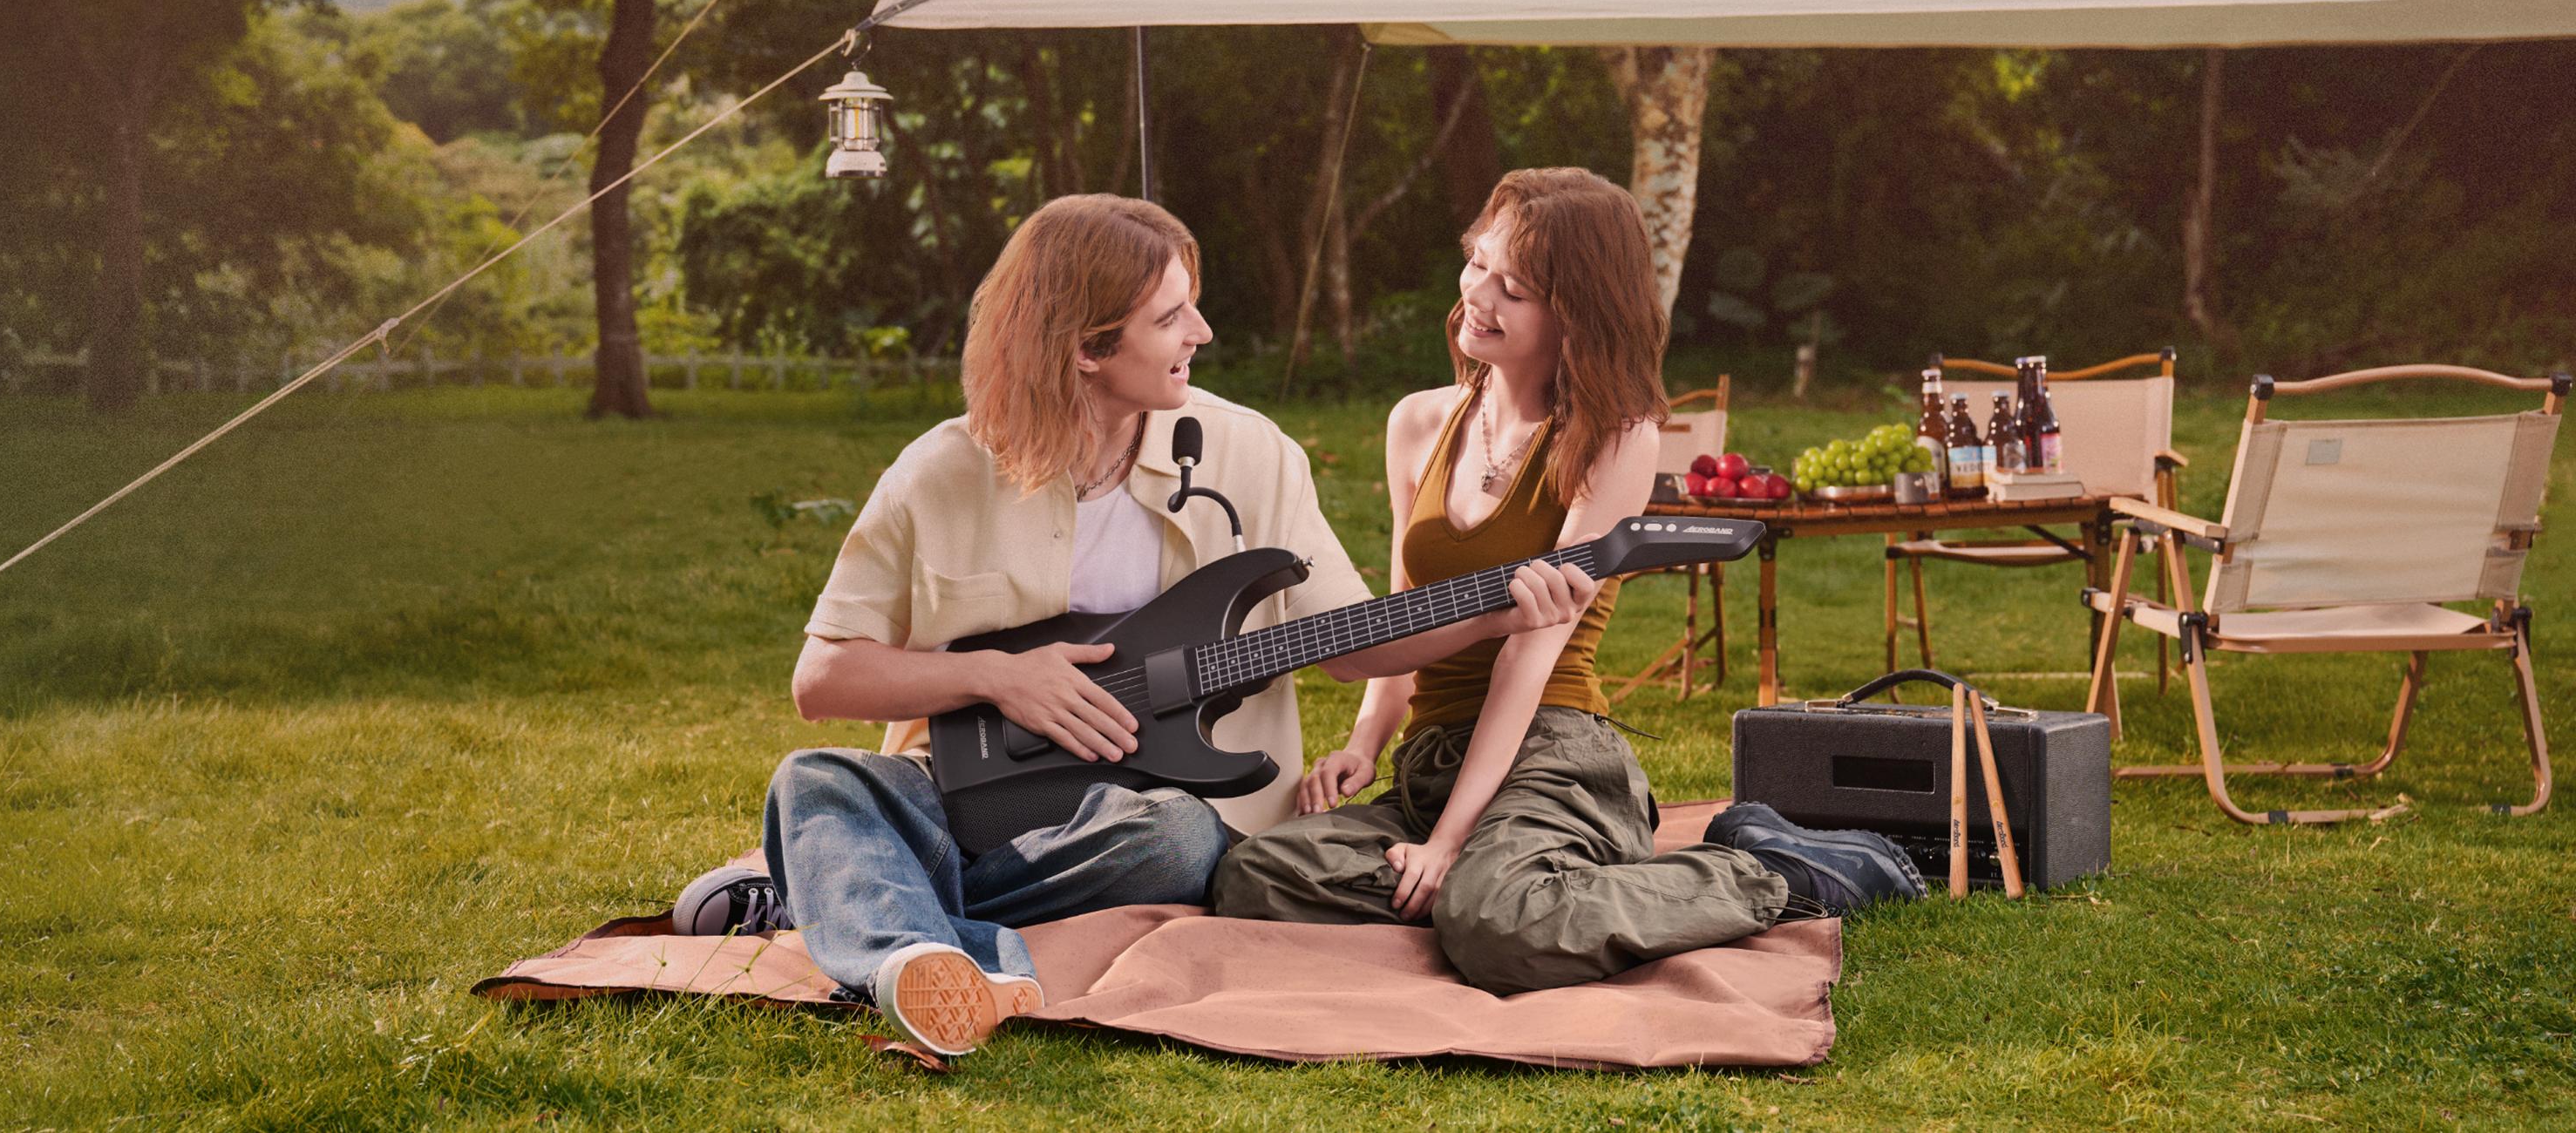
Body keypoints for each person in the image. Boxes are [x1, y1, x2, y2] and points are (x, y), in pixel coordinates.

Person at [669, 193, 1599, 1055]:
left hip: (1147, 819)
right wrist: (997, 677)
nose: (1202, 332)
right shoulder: (939, 472)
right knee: (816, 779)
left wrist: (1495, 612)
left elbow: (1356, 645)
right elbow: (823, 679)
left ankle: (864, 907)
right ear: (1086, 348)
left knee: (1179, 842)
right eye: (1171, 317)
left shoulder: (1248, 451)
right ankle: (927, 951)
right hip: (968, 800)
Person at [1211, 168, 1926, 994]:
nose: (1477, 295)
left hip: (1553, 751)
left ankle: (1774, 873)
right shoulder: (1418, 422)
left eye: (1513, 289)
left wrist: (1447, 842)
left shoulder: (1612, 437)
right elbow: (1405, 615)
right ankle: (1513, 887)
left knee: (1498, 926)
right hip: (1433, 758)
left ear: (1576, 313)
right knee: (1255, 876)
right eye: (1478, 264)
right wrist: (1364, 746)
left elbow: (1529, 653)